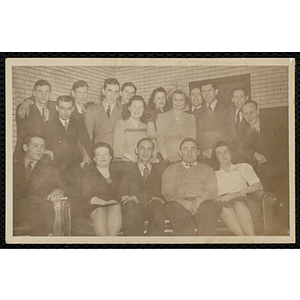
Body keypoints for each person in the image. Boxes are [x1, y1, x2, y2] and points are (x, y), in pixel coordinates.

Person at [239, 100, 289, 233]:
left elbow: (285, 147)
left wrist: (267, 157)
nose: (249, 117)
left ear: (258, 111)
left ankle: (285, 231)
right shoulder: (242, 130)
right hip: (261, 174)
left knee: (283, 201)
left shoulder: (273, 123)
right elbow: (240, 149)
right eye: (246, 114)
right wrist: (254, 154)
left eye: (251, 112)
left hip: (280, 171)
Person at [162, 138, 218, 236]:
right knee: (173, 208)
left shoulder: (207, 169)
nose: (189, 152)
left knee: (210, 208)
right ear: (180, 152)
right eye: (185, 149)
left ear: (198, 152)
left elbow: (213, 189)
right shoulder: (171, 169)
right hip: (179, 203)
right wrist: (181, 201)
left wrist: (200, 199)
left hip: (202, 202)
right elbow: (167, 190)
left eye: (193, 149)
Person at [13, 133, 65, 236]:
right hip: (14, 210)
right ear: (25, 147)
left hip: (38, 211)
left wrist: (56, 192)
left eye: (42, 146)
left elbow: (59, 187)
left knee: (45, 207)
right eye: (35, 146)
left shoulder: (50, 170)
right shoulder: (11, 167)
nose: (40, 150)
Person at [212, 141, 263, 236]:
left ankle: (251, 239)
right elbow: (210, 195)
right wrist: (223, 198)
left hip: (243, 200)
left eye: (226, 151)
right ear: (216, 158)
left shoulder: (243, 167)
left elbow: (259, 185)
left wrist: (245, 190)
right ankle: (245, 240)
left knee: (238, 204)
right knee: (224, 207)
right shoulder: (213, 174)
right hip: (224, 201)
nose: (223, 155)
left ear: (231, 153)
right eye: (219, 153)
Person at [43, 95, 93, 192]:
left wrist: (89, 157)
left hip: (74, 166)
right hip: (56, 166)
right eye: (62, 108)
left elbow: (86, 140)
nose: (66, 112)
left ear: (73, 108)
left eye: (69, 109)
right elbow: (44, 147)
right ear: (57, 108)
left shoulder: (77, 120)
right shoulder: (48, 125)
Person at [118, 138, 165, 236]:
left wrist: (160, 198)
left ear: (153, 152)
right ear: (136, 150)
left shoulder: (160, 172)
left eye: (149, 149)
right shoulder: (127, 173)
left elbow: (165, 193)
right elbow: (121, 196)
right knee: (129, 206)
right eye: (142, 148)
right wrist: (130, 198)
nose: (145, 152)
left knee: (157, 207)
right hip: (135, 208)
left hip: (153, 207)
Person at [80, 143, 122, 236]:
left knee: (116, 208)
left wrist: (114, 202)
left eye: (106, 154)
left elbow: (122, 193)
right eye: (99, 154)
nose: (103, 157)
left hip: (113, 205)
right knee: (100, 212)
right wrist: (105, 203)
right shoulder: (88, 174)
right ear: (94, 159)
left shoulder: (118, 174)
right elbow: (87, 196)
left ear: (110, 157)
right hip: (93, 205)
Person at [14, 80, 56, 162]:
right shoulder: (25, 109)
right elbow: (26, 136)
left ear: (50, 94)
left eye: (47, 92)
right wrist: (27, 101)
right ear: (34, 93)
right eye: (40, 91)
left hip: (47, 157)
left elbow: (67, 103)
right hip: (25, 156)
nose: (44, 95)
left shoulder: (53, 108)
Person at [194, 80, 236, 161]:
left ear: (216, 91)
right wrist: (201, 151)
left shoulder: (227, 109)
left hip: (221, 155)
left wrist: (216, 150)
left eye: (209, 90)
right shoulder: (196, 113)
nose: (206, 94)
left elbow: (232, 134)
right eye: (203, 91)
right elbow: (196, 135)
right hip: (203, 156)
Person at [113, 95, 157, 166]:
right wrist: (134, 159)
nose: (137, 110)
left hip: (144, 163)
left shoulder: (146, 126)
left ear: (144, 109)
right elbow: (118, 148)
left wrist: (153, 157)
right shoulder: (121, 123)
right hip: (126, 163)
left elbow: (153, 145)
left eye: (140, 107)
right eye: (134, 107)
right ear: (129, 108)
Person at [156, 90, 196, 163]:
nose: (178, 103)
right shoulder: (162, 117)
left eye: (181, 100)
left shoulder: (191, 118)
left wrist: (185, 158)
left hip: (186, 158)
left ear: (185, 101)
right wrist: (167, 158)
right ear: (171, 101)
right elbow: (160, 141)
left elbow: (192, 140)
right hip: (168, 158)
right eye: (175, 100)